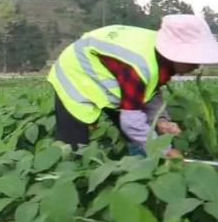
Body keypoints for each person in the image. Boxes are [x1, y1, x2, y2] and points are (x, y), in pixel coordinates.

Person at [47, 15, 218, 157]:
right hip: (75, 74)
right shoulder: (139, 67)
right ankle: (59, 177)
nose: (197, 66)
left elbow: (150, 92)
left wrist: (161, 120)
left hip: (108, 71)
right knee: (73, 146)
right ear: (176, 54)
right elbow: (132, 121)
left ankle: (139, 168)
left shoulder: (158, 56)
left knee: (139, 134)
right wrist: (166, 152)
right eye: (193, 59)